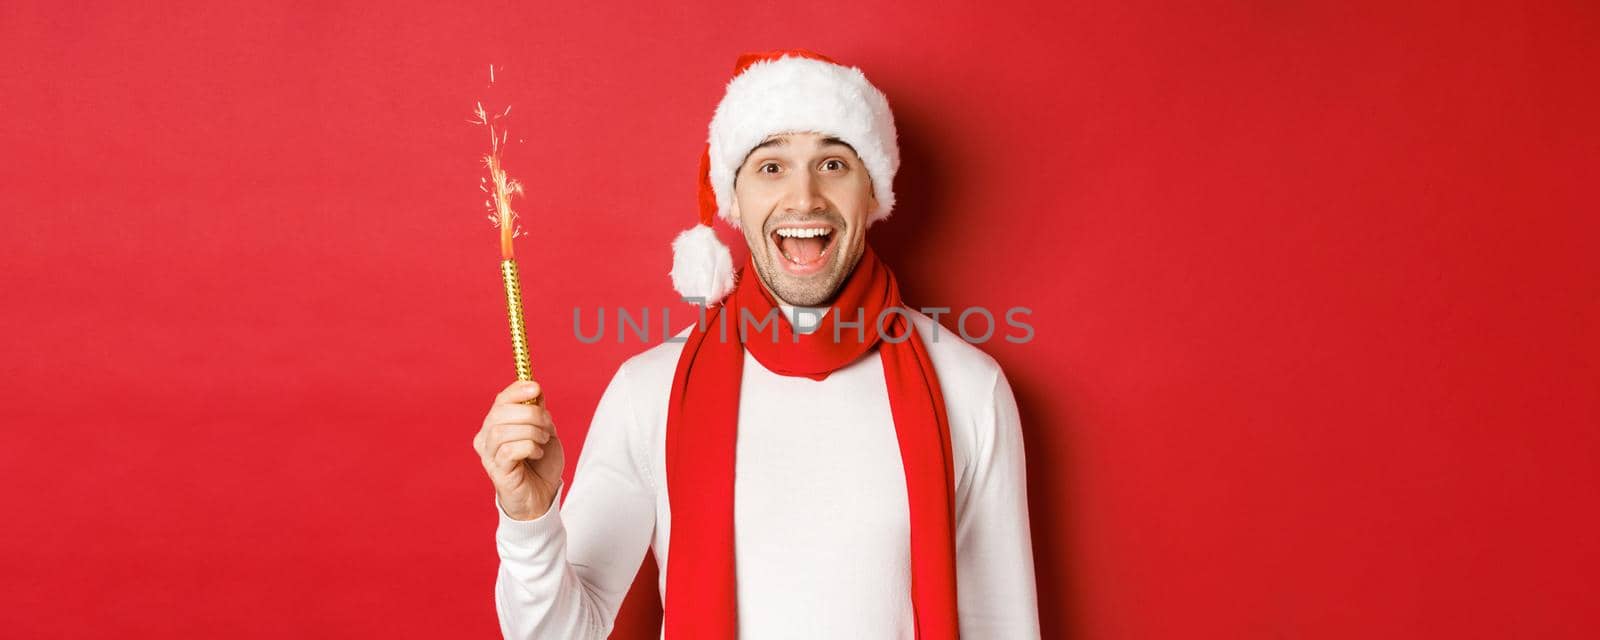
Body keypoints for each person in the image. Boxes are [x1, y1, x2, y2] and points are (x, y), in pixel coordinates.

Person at [472, 48, 1041, 639]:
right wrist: (530, 519)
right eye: (771, 167)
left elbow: (1004, 625)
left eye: (833, 164)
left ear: (873, 192)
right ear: (734, 203)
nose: (803, 199)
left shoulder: (969, 387)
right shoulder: (651, 390)